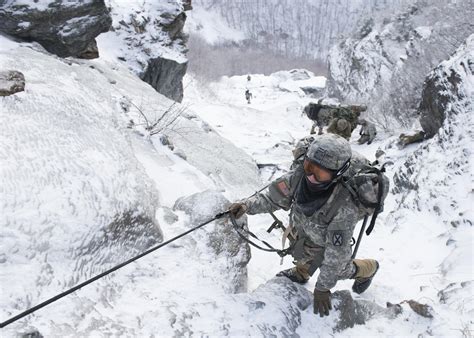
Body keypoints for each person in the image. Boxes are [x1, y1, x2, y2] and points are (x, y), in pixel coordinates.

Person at [228, 134, 379, 317]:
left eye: (320, 172)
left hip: (327, 241)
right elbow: (272, 198)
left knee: (339, 269)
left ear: (337, 173)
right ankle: (302, 272)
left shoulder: (344, 206)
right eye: (309, 166)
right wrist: (246, 205)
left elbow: (336, 253)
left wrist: (323, 288)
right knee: (299, 248)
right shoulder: (299, 176)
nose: (311, 176)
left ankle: (369, 268)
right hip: (303, 228)